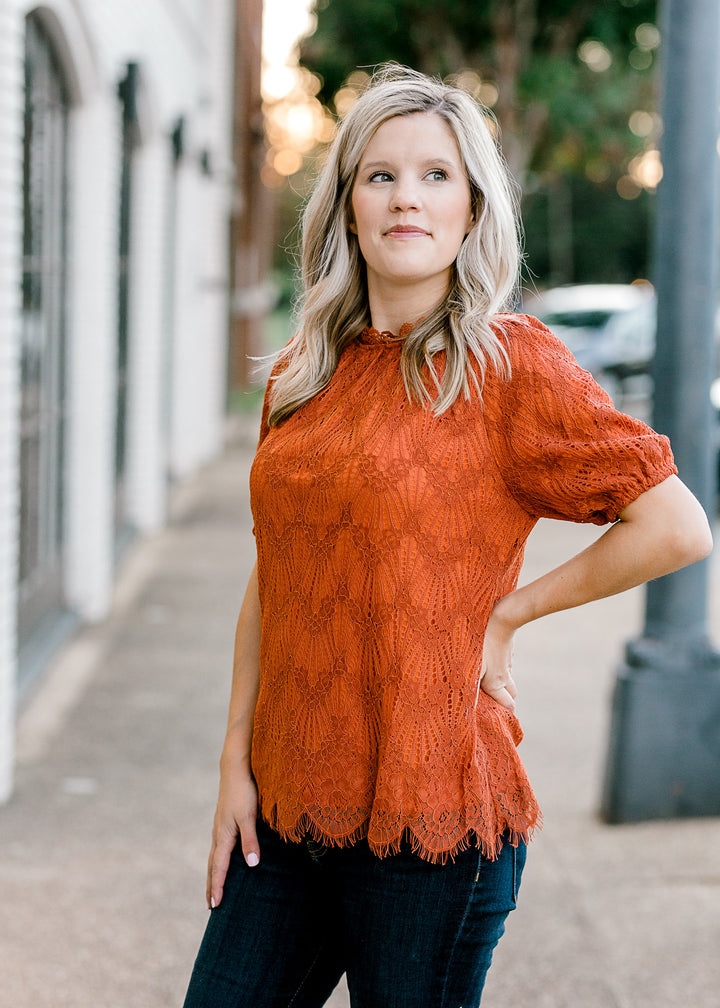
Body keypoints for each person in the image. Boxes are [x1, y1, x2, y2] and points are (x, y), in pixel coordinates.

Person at [182, 65, 712, 1008]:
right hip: (288, 808)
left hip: (434, 819)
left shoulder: (511, 366)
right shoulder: (303, 375)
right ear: (347, 206)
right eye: (379, 176)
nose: (406, 198)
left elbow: (673, 526)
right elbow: (279, 572)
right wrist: (235, 758)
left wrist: (509, 616)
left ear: (472, 209)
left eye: (436, 175)